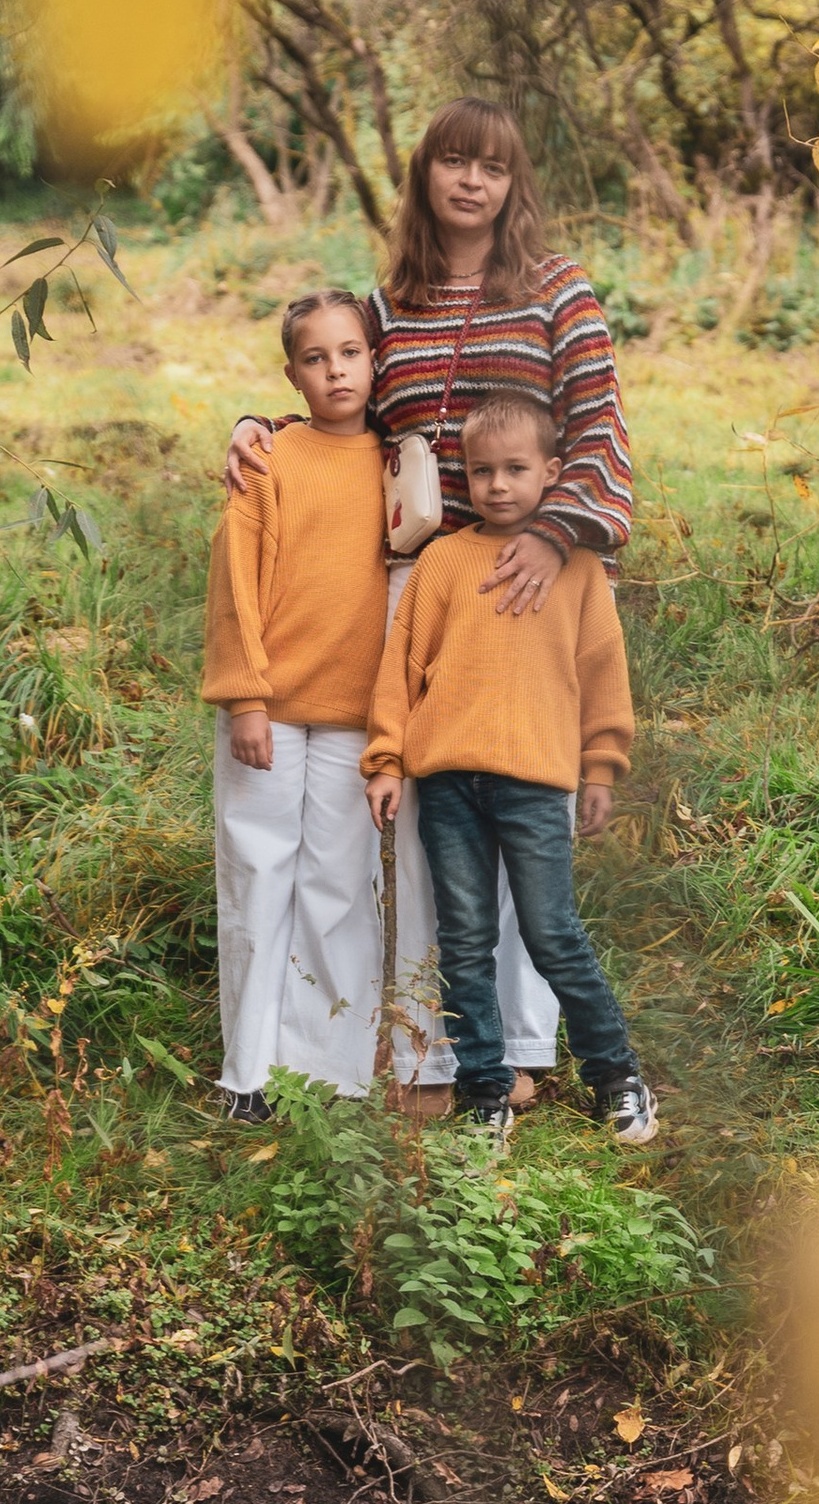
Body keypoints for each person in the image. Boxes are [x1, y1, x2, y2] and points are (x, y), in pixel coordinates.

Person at [225, 97, 636, 1114]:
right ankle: (438, 1056)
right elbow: (342, 396)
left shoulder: (557, 293)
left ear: (512, 183)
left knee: (527, 804)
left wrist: (551, 536)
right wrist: (263, 423)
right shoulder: (387, 303)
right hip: (422, 579)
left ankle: (530, 1047)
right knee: (425, 821)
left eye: (490, 167)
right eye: (451, 162)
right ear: (423, 178)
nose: (470, 182)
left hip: (534, 573)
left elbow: (601, 434)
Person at [364, 390, 656, 1147]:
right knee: (463, 940)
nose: (497, 485)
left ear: (553, 472)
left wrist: (600, 768)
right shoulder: (443, 564)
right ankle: (486, 1086)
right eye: (482, 470)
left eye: (516, 469)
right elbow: (402, 671)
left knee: (551, 931)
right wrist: (388, 760)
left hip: (536, 782)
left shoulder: (577, 568)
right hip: (450, 783)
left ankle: (617, 1077)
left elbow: (602, 673)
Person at [201, 292, 390, 1121]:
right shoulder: (270, 460)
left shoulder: (399, 464)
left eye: (350, 352)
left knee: (339, 886)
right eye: (316, 359)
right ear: (293, 374)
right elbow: (233, 587)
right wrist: (245, 697)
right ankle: (248, 1069)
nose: (336, 370)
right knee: (258, 875)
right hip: (269, 712)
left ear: (375, 358)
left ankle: (330, 1069)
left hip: (357, 715)